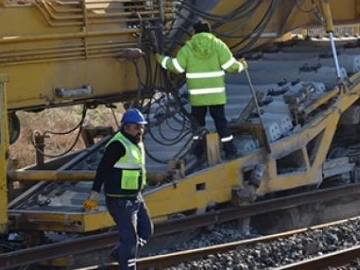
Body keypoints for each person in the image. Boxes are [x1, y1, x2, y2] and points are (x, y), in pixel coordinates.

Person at [156, 21, 247, 159]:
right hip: (216, 96)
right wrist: (242, 65)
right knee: (221, 123)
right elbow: (231, 66)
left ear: (195, 32)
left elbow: (177, 67)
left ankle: (198, 151)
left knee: (198, 125)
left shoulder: (189, 47)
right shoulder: (218, 45)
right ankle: (230, 151)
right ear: (209, 31)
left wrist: (160, 59)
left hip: (198, 97)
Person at [83, 108, 153, 269]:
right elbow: (102, 169)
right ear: (126, 127)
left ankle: (119, 253)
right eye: (136, 127)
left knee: (146, 231)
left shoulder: (137, 142)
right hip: (119, 200)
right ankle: (127, 263)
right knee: (129, 240)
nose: (140, 130)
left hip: (135, 197)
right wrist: (94, 193)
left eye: (142, 126)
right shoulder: (118, 144)